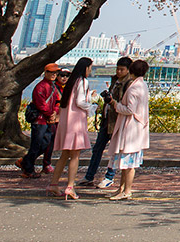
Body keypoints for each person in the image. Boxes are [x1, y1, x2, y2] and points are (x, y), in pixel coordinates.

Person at [47, 58, 94, 200]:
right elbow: (80, 101)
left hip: (66, 121)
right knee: (75, 156)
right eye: (90, 68)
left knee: (64, 155)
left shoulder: (71, 82)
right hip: (76, 121)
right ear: (86, 68)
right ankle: (70, 186)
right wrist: (91, 105)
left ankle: (54, 184)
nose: (90, 70)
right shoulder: (83, 82)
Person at [105, 59, 150, 200]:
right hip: (135, 128)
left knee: (129, 164)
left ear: (131, 71)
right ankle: (122, 188)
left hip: (131, 128)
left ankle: (126, 190)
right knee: (126, 163)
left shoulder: (134, 88)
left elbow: (130, 109)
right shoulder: (142, 85)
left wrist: (115, 104)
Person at [86, 57, 132, 188]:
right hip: (107, 119)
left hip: (117, 121)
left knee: (114, 151)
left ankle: (109, 176)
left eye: (122, 69)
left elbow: (125, 103)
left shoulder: (128, 84)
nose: (118, 71)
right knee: (97, 149)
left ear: (128, 70)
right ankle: (89, 176)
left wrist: (112, 101)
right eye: (117, 69)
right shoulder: (115, 80)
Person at [17, 63, 61, 177]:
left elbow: (57, 101)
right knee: (37, 145)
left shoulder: (52, 86)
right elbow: (41, 104)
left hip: (47, 120)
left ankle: (26, 162)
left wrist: (55, 112)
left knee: (45, 144)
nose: (54, 75)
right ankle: (28, 169)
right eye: (51, 72)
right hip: (40, 120)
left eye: (55, 73)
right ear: (45, 73)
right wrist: (51, 113)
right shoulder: (41, 87)